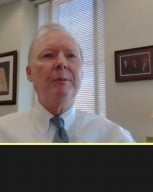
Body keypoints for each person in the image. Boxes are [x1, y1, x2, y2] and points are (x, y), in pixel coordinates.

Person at [0, 24, 135, 143]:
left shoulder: (114, 137)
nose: (62, 63)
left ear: (82, 73)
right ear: (29, 72)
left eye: (71, 55)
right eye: (48, 55)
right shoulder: (4, 133)